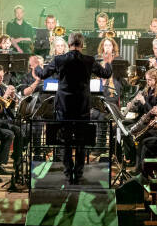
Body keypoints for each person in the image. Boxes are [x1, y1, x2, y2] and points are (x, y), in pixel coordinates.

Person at [35, 32, 113, 184]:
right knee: (81, 141)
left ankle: (67, 171)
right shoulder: (89, 60)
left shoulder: (59, 59)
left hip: (64, 106)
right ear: (82, 45)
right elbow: (106, 73)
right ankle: (78, 173)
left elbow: (43, 74)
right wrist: (108, 61)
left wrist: (36, 66)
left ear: (69, 44)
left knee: (66, 140)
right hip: (82, 106)